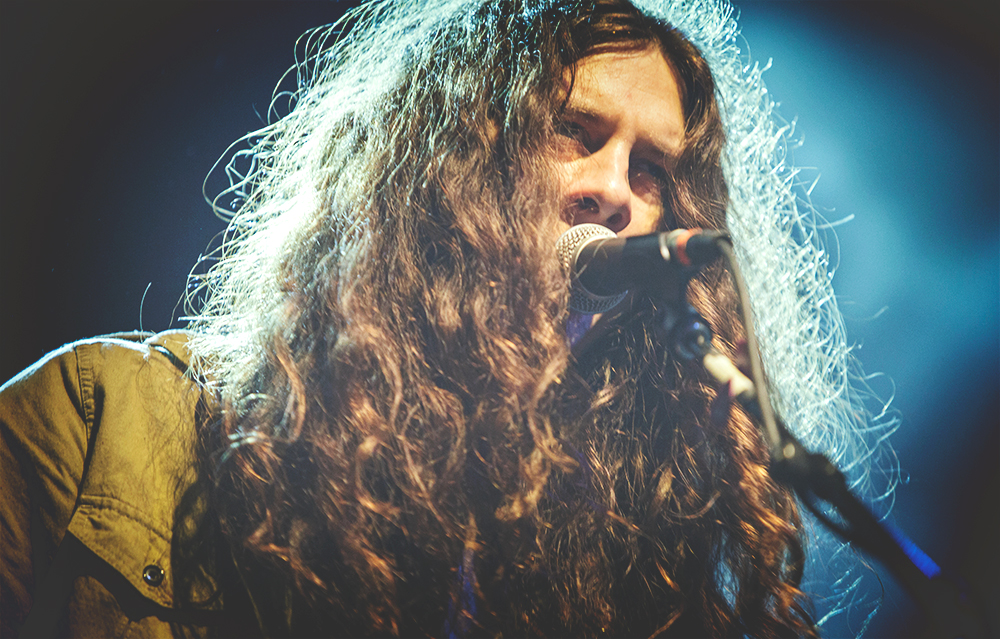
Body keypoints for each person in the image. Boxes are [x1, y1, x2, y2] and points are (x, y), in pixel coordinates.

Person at [1, 0, 891, 636]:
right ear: (443, 163)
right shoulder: (101, 418)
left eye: (653, 167)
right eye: (573, 130)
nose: (615, 191)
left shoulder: (644, 549)